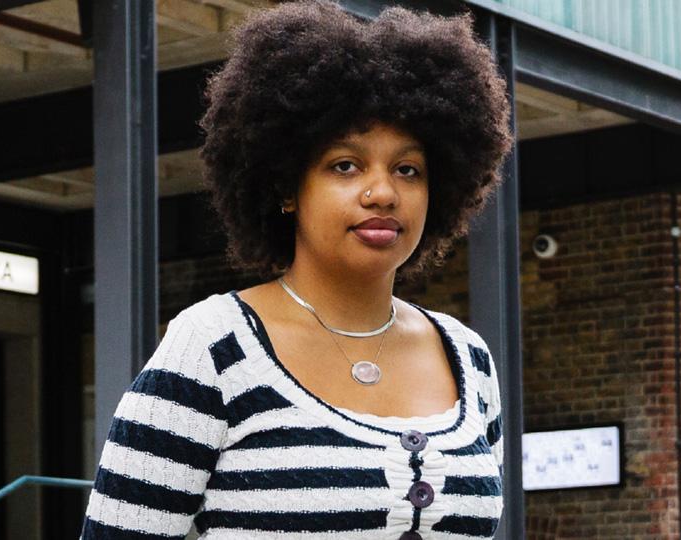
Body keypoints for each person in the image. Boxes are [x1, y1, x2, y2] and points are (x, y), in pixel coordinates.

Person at [79, 0, 512, 538]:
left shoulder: (468, 359)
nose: (383, 192)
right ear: (287, 186)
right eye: (345, 166)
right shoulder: (214, 348)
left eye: (408, 169)